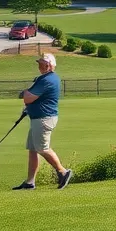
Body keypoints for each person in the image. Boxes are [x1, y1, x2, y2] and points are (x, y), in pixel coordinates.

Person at [14, 52, 73, 190]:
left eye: (42, 64)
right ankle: (30, 182)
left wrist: (26, 94)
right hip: (38, 117)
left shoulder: (47, 80)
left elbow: (28, 97)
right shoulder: (46, 78)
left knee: (42, 148)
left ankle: (63, 172)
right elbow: (31, 97)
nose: (39, 66)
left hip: (43, 119)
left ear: (49, 66)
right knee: (33, 149)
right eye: (39, 64)